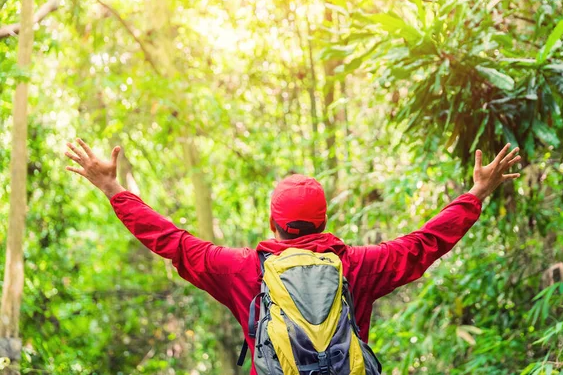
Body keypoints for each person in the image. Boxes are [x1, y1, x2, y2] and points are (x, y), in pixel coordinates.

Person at [65, 138, 520, 374]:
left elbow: (172, 241)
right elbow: (425, 244)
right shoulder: (357, 265)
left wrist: (112, 187)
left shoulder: (243, 269)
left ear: (273, 222)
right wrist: (476, 192)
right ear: (324, 220)